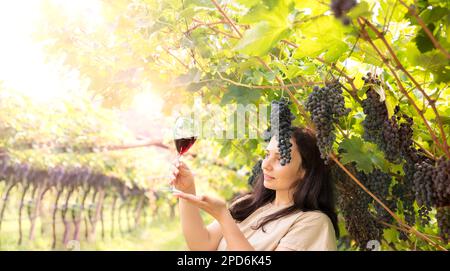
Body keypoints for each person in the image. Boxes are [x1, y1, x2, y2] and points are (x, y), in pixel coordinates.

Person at [169, 126, 339, 251]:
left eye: (279, 158)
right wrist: (187, 190)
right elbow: (202, 245)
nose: (266, 165)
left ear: (305, 171)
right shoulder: (250, 205)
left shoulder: (313, 223)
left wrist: (224, 217)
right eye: (266, 155)